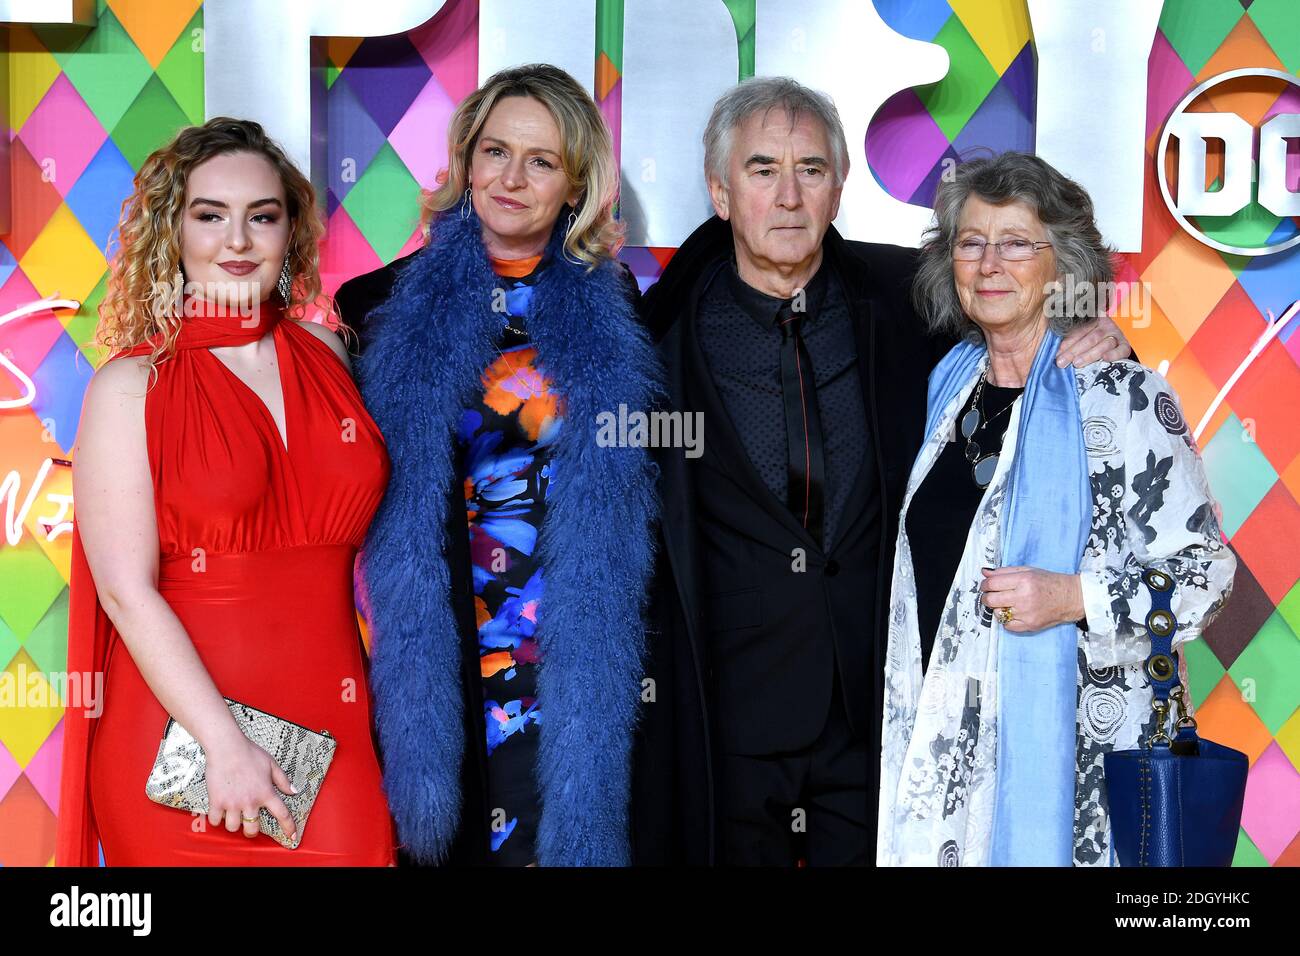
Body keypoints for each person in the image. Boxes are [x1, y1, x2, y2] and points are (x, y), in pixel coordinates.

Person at [631, 78, 1134, 866]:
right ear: (721, 193)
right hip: (723, 719)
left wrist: (1097, 331)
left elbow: (1022, 307)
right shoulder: (656, 336)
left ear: (839, 188)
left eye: (812, 169)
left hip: (884, 710)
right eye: (763, 170)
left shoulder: (907, 299)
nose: (789, 195)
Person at [876, 151, 1235, 867]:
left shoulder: (1123, 397)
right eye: (971, 242)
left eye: (1015, 243)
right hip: (944, 771)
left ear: (1062, 266)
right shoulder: (945, 387)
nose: (988, 264)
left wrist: (1073, 596)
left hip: (1078, 778)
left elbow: (1207, 576)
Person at [340, 64, 658, 867]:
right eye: (495, 152)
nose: (511, 178)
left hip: (571, 645)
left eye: (541, 161)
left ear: (575, 185)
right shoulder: (374, 307)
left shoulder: (620, 303)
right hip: (437, 642)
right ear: (465, 162)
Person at [57, 118, 395, 865]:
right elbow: (124, 592)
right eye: (210, 216)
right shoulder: (130, 386)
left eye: (261, 217)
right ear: (172, 231)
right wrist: (224, 745)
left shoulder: (330, 354)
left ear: (290, 231)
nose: (237, 241)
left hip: (333, 735)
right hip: (183, 746)